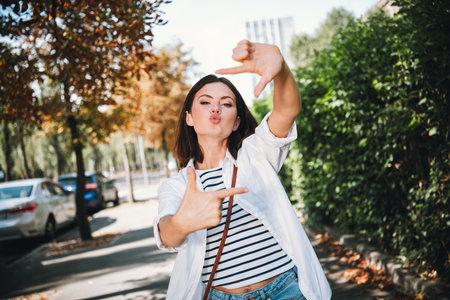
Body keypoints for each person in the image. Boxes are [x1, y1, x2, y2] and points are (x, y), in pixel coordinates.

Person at [154, 40, 331, 300]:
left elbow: (287, 110)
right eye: (205, 102)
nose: (216, 108)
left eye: (226, 104)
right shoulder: (177, 185)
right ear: (189, 117)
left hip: (284, 290)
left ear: (236, 121)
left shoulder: (256, 153)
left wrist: (281, 71)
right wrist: (181, 222)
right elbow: (166, 235)